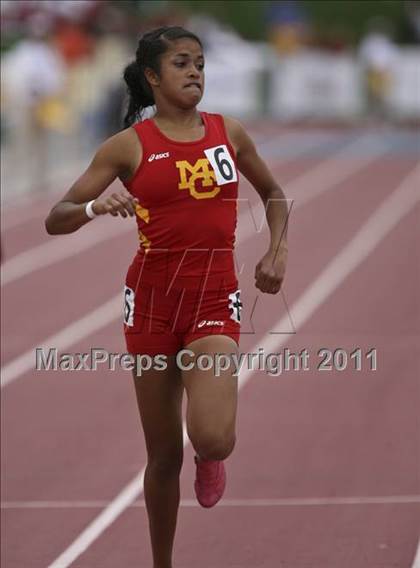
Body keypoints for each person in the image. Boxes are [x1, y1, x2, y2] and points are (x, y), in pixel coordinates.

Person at [45, 26, 288, 568]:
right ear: (153, 77)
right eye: (181, 64)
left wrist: (278, 251)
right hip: (151, 303)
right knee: (161, 455)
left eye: (200, 63)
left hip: (213, 296)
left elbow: (273, 193)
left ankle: (212, 456)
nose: (195, 72)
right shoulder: (128, 147)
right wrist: (92, 209)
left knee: (213, 438)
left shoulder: (230, 133)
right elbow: (54, 218)